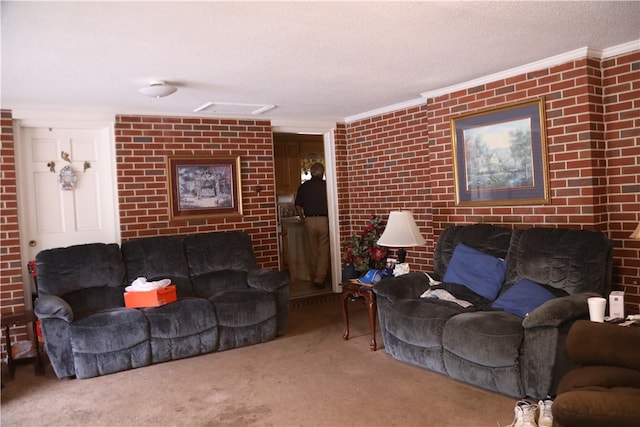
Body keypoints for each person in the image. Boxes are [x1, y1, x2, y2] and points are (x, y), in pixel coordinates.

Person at [295, 162, 330, 289]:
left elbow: (298, 206)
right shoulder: (327, 186)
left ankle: (315, 275)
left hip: (309, 220)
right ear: (323, 173)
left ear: (310, 172)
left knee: (312, 250)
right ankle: (320, 278)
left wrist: (302, 218)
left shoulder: (303, 187)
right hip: (324, 220)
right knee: (324, 250)